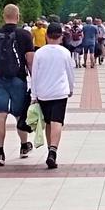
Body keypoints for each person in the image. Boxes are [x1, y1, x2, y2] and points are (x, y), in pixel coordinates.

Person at [0, 4, 35, 166]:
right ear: (17, 16)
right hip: (18, 79)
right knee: (20, 114)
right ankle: (23, 146)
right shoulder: (25, 35)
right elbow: (30, 60)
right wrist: (34, 81)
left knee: (1, 115)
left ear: (3, 16)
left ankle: (0, 153)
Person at [31, 22, 74, 169]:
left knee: (49, 122)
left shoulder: (39, 53)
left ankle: (50, 149)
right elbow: (70, 73)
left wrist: (34, 94)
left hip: (43, 93)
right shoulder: (65, 53)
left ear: (47, 36)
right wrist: (71, 88)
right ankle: (53, 151)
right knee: (57, 122)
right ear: (61, 36)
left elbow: (34, 75)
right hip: (60, 91)